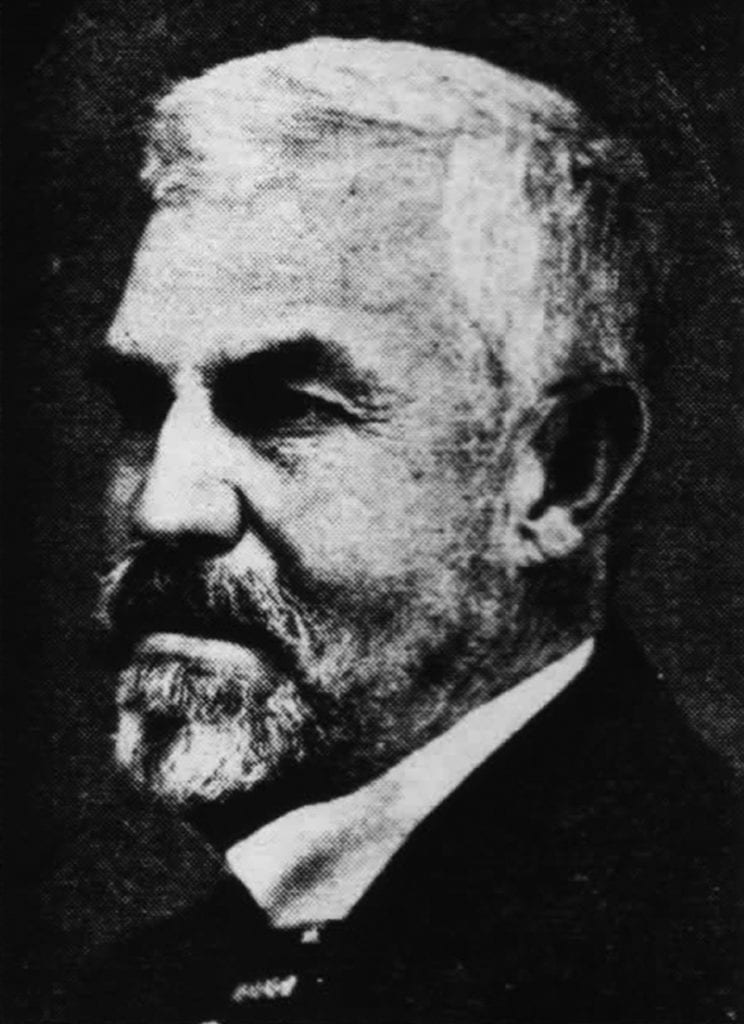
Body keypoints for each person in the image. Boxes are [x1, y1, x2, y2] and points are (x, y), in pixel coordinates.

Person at [71, 35, 738, 1024]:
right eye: (139, 406)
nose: (163, 506)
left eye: (284, 407)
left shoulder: (698, 952)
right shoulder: (141, 991)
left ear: (559, 474)